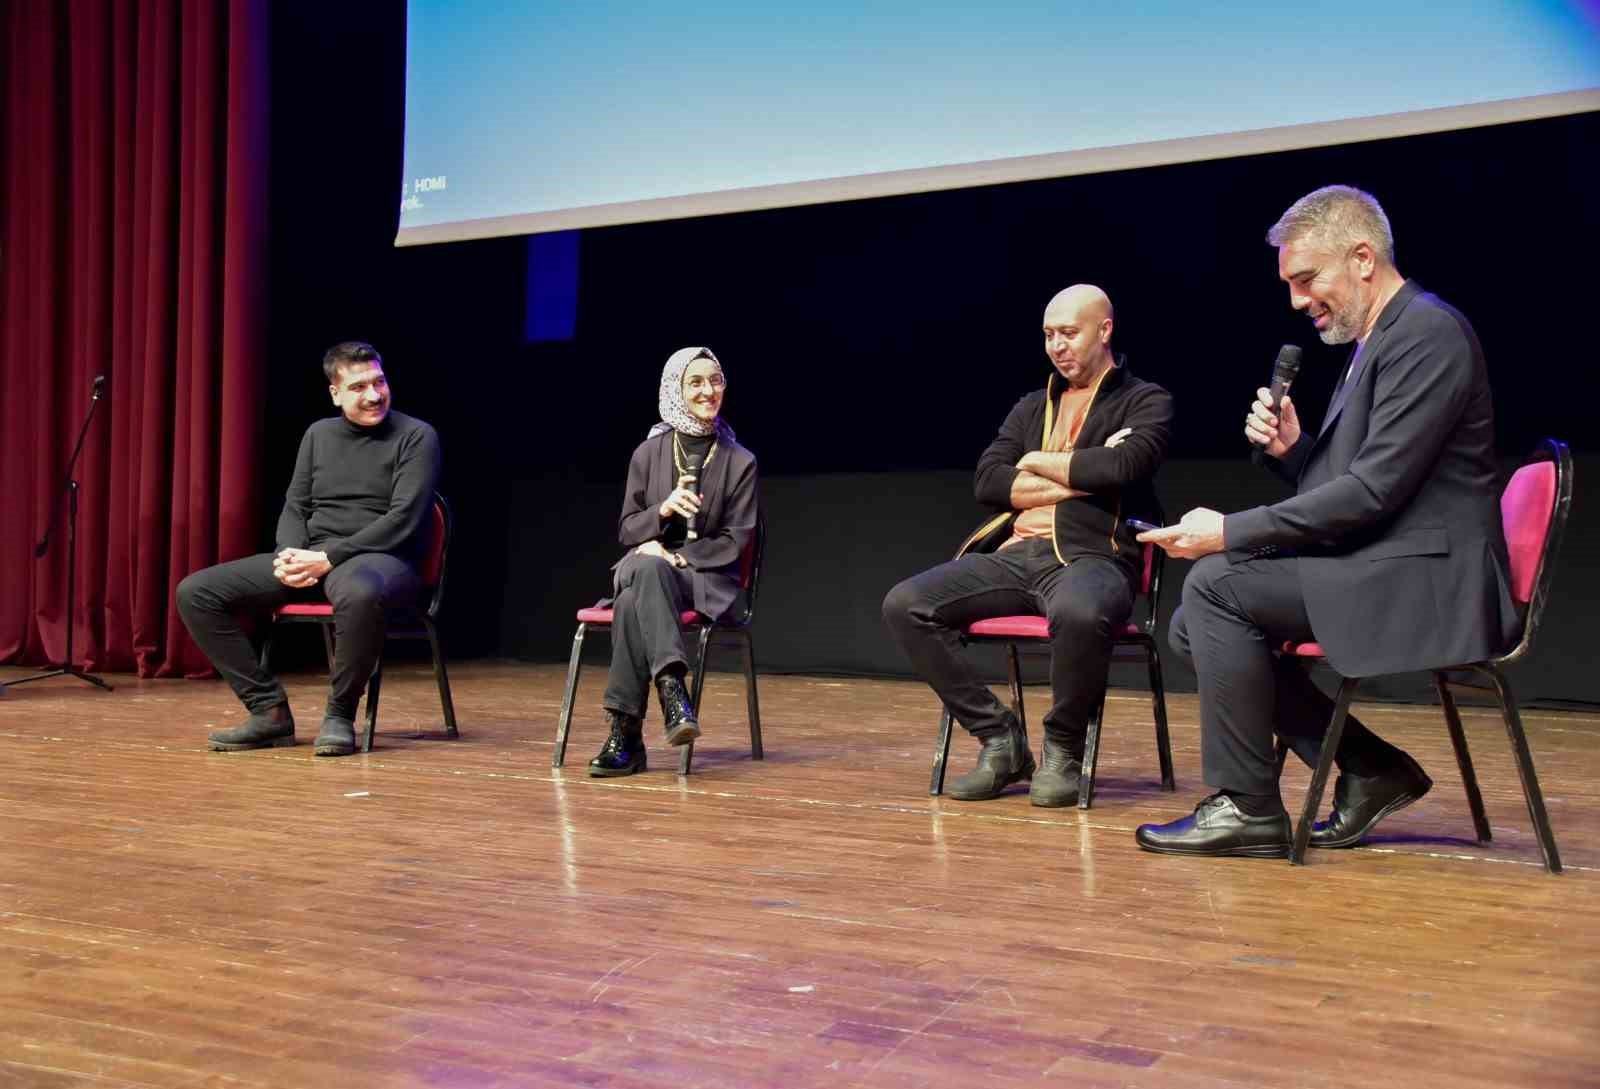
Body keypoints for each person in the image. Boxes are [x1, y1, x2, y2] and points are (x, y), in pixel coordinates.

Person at [1134, 185, 1519, 857]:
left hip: (1431, 578)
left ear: (1363, 258)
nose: (1296, 299)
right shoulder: (1380, 341)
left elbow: (1370, 494)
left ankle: (1249, 806)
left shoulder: (1427, 335)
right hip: (1391, 557)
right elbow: (1358, 485)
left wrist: (1230, 530)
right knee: (1197, 620)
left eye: (1307, 279)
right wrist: (1296, 452)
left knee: (1216, 585)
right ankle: (1371, 768)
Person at [883, 285, 1173, 805]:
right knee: (907, 604)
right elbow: (987, 482)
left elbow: (1126, 466)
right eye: (1048, 335)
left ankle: (1063, 746)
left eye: (1069, 333)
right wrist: (1083, 468)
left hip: (1094, 558)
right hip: (1016, 556)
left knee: (1081, 612)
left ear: (1104, 331)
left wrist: (1034, 461)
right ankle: (1001, 740)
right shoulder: (1031, 407)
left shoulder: (1145, 399)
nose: (1057, 346)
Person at [177, 342, 442, 757]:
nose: (374, 394)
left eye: (379, 381)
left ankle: (339, 714)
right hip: (314, 560)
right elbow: (296, 505)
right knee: (197, 592)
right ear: (335, 393)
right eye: (358, 386)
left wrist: (328, 557)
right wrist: (288, 556)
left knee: (359, 591)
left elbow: (402, 519)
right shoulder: (319, 434)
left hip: (385, 560)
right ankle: (268, 712)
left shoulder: (415, 436)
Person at [586, 347, 759, 777]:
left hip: (707, 580)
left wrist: (676, 556)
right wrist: (662, 511)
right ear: (676, 389)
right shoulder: (648, 453)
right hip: (651, 572)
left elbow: (736, 540)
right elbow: (628, 530)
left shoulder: (740, 461)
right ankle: (671, 690)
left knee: (634, 591)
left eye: (715, 380)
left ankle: (626, 733)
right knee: (645, 570)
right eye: (696, 382)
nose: (708, 391)